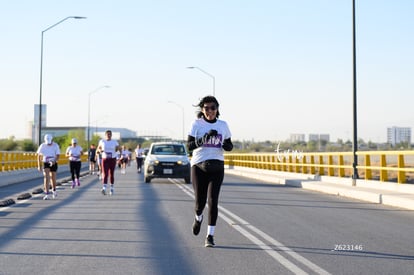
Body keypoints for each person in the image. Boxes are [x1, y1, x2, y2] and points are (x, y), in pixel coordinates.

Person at [186, 95, 233, 247]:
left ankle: (210, 236)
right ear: (202, 109)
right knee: (200, 203)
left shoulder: (223, 125)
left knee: (213, 202)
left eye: (213, 108)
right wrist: (205, 138)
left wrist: (227, 146)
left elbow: (229, 145)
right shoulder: (197, 124)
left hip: (217, 166)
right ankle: (198, 218)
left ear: (217, 109)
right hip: (199, 165)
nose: (210, 111)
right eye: (206, 108)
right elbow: (189, 146)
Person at [37, 134, 61, 200]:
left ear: (52, 140)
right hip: (46, 162)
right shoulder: (42, 145)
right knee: (46, 177)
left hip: (53, 162)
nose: (48, 144)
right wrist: (39, 165)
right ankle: (47, 194)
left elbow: (58, 155)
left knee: (53, 178)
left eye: (49, 143)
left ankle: (54, 190)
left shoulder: (56, 145)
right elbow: (38, 156)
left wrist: (54, 161)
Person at [98, 130, 119, 195]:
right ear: (105, 135)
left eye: (110, 134)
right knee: (105, 174)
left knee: (111, 174)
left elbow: (118, 148)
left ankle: (112, 188)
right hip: (105, 159)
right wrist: (100, 150)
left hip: (112, 159)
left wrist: (116, 151)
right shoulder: (102, 141)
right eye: (107, 134)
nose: (109, 135)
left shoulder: (114, 142)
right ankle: (104, 188)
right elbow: (99, 148)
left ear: (111, 135)